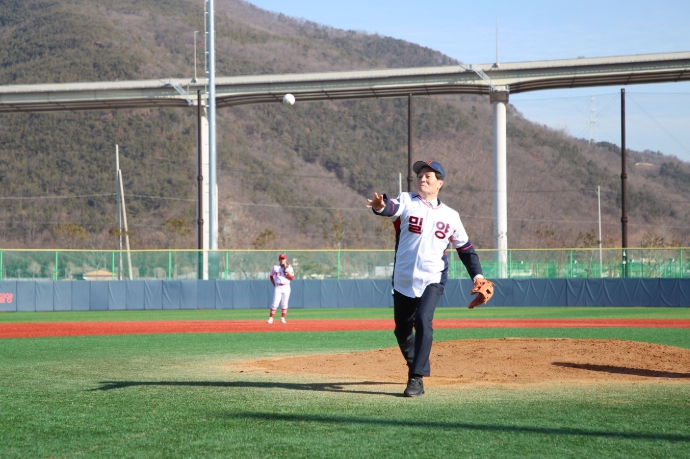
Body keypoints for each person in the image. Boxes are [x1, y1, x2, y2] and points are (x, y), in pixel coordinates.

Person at [367, 160, 485, 397]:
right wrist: (380, 206)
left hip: (433, 276)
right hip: (403, 279)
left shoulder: (451, 215)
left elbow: (465, 249)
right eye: (420, 175)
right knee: (402, 331)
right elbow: (390, 207)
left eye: (429, 175)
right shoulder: (407, 200)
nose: (423, 178)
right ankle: (417, 364)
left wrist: (478, 276)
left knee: (423, 319)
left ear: (440, 183)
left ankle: (416, 378)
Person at [267, 254, 295, 324]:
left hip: (286, 286)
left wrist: (287, 272)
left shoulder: (289, 267)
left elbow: (292, 278)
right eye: (281, 259)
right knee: (275, 303)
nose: (282, 260)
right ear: (279, 259)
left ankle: (282, 318)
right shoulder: (275, 267)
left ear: (285, 259)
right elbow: (271, 276)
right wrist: (274, 284)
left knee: (284, 303)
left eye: (283, 259)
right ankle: (271, 318)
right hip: (278, 287)